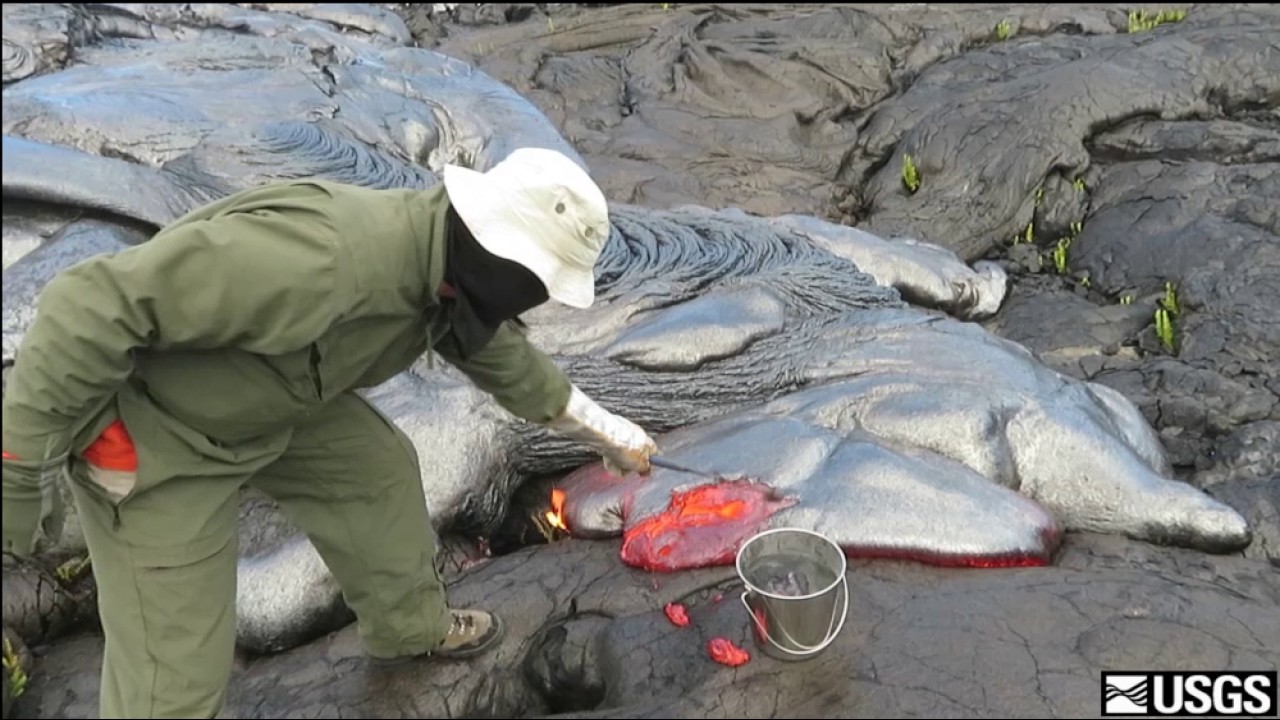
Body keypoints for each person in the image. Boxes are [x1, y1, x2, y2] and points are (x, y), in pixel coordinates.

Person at [0, 147, 659, 719]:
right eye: (536, 283)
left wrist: (603, 431)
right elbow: (86, 304)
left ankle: (410, 629)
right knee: (175, 665)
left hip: (272, 400)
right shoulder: (320, 259)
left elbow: (500, 357)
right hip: (160, 433)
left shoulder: (451, 274)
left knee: (376, 472)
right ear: (495, 249)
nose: (535, 300)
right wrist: (19, 470)